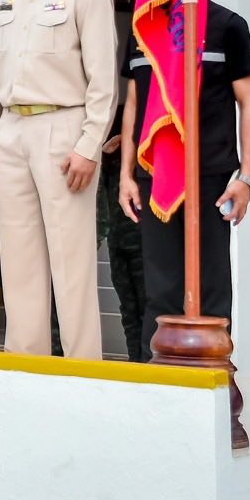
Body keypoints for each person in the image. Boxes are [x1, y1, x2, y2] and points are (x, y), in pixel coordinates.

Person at [0, 0, 117, 359]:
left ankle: (83, 369)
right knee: (18, 259)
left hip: (63, 128)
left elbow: (102, 79)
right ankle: (25, 363)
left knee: (71, 260)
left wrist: (89, 145)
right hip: (10, 130)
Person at [117, 0, 250, 339]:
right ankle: (160, 380)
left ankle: (216, 375)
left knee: (212, 285)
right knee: (160, 286)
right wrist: (126, 174)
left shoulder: (227, 24)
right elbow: (134, 103)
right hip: (154, 174)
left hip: (211, 177)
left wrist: (246, 177)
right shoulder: (142, 26)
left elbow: (249, 102)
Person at [99, 123, 149, 361]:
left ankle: (148, 360)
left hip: (143, 245)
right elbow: (95, 183)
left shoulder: (147, 160)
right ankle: (135, 361)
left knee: (147, 306)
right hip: (117, 242)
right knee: (128, 308)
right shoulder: (112, 164)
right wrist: (105, 153)